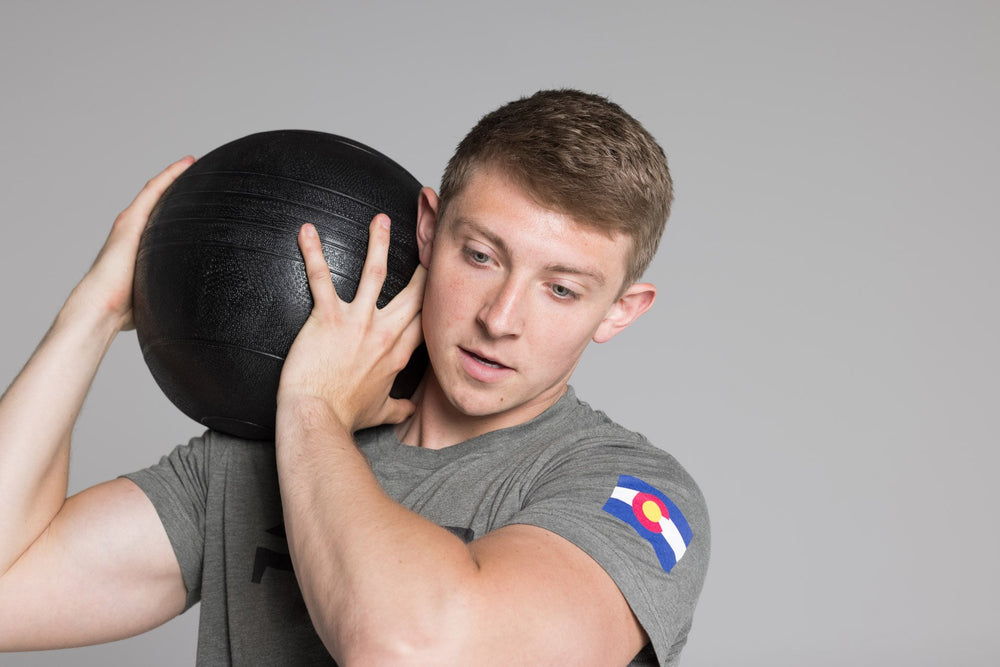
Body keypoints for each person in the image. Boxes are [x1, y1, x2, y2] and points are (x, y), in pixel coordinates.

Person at [0, 89, 709, 665]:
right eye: (483, 255)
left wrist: (311, 403)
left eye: (562, 289)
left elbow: (407, 648)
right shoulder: (255, 452)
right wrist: (92, 313)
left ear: (620, 310)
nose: (501, 318)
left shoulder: (627, 492)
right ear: (429, 229)